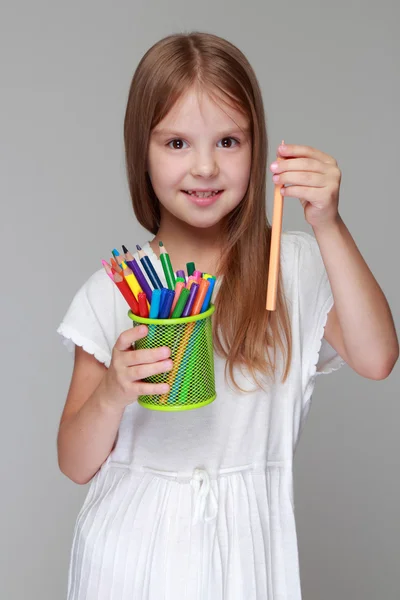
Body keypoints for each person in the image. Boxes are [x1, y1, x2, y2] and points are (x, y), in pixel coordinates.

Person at [56, 31, 398, 600]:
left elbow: (378, 357)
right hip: (128, 556)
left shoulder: (291, 265)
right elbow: (73, 462)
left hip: (247, 552)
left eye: (230, 141)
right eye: (176, 144)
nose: (206, 166)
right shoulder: (115, 291)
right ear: (141, 150)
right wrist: (114, 391)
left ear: (258, 147)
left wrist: (329, 224)